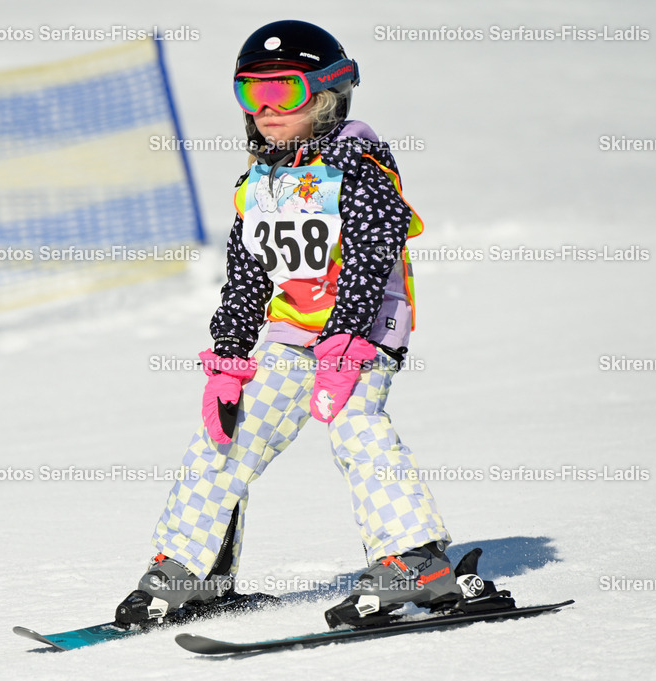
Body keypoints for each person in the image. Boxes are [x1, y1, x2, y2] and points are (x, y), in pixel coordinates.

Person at [115, 20, 465, 629]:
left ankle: (416, 561)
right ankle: (192, 570)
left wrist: (347, 338)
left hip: (362, 333)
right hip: (293, 336)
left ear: (326, 96)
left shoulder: (357, 166)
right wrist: (229, 356)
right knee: (226, 439)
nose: (267, 109)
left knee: (357, 430)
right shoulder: (260, 180)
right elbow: (248, 274)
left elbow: (372, 250)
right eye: (253, 93)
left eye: (285, 91)